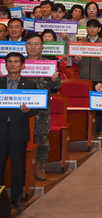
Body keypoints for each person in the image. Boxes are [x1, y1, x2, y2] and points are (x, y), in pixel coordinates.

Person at [0, 52, 39, 210]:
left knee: (17, 167)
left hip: (18, 132)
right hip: (1, 131)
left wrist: (28, 110)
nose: (12, 64)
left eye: (16, 62)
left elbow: (36, 107)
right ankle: (1, 199)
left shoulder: (29, 84)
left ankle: (17, 198)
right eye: (9, 61)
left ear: (22, 65)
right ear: (5, 65)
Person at [25, 34, 61, 181]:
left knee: (41, 138)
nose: (33, 47)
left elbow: (57, 86)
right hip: (20, 107)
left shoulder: (49, 64)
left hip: (41, 109)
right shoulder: (17, 62)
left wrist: (54, 79)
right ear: (25, 46)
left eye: (36, 44)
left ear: (42, 47)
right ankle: (24, 166)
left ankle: (40, 166)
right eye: (30, 44)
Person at [75, 18, 102, 137]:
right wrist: (77, 60)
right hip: (83, 78)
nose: (91, 29)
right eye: (89, 27)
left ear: (99, 29)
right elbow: (76, 62)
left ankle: (99, 130)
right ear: (86, 29)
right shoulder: (80, 43)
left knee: (99, 105)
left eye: (94, 27)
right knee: (84, 105)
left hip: (99, 78)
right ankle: (83, 130)